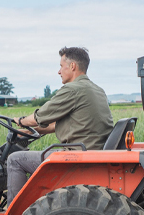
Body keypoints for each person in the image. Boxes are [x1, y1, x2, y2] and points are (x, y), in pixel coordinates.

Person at [6, 47, 113, 204]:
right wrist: (30, 131)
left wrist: (20, 121)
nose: (59, 71)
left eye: (61, 66)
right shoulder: (96, 90)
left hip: (77, 155)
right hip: (91, 150)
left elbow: (40, 116)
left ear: (72, 66)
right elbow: (57, 125)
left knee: (15, 160)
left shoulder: (73, 89)